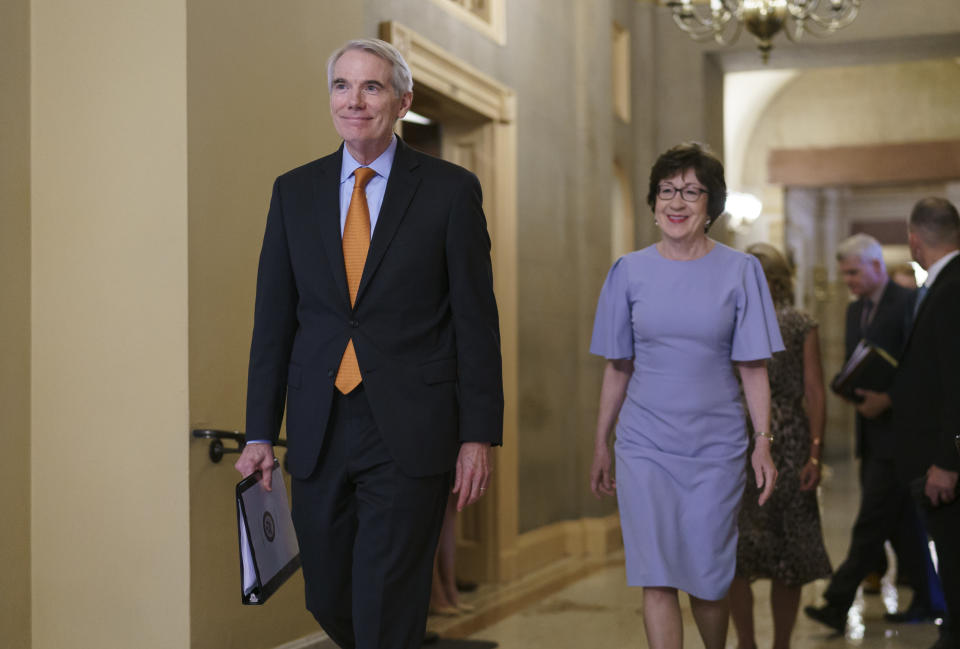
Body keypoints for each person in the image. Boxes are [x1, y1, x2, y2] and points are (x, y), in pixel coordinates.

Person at [234, 38, 504, 649]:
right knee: (327, 593)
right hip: (319, 423)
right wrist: (257, 432)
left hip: (411, 428)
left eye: (372, 87)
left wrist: (477, 433)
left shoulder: (449, 191)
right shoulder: (293, 192)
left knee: (386, 596)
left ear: (403, 101)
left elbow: (475, 323)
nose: (354, 100)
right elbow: (272, 322)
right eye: (342, 86)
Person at [589, 142, 783, 649]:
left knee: (708, 575)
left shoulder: (742, 272)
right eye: (667, 191)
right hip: (645, 444)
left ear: (711, 206)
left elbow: (753, 366)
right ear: (653, 203)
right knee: (657, 574)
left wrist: (762, 442)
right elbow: (618, 366)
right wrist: (600, 442)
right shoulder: (627, 272)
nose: (677, 202)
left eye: (692, 192)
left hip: (716, 447)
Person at [805, 234, 940, 634]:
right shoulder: (854, 311)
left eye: (853, 272)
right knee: (899, 525)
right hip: (871, 434)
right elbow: (857, 361)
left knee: (870, 523)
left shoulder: (908, 304)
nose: (847, 280)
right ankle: (933, 599)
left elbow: (923, 368)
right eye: (844, 273)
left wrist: (890, 398)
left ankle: (836, 600)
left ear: (876, 266)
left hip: (903, 433)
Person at [859, 197, 960, 649]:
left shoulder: (952, 287)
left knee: (955, 558)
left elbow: (957, 382)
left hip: (944, 463)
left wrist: (947, 460)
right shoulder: (942, 284)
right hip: (931, 456)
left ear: (914, 239)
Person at [728, 243, 832, 649]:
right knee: (786, 554)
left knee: (738, 552)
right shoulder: (800, 322)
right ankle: (781, 645)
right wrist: (815, 453)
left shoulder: (734, 322)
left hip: (741, 437)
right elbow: (815, 393)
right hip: (787, 440)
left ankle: (747, 642)